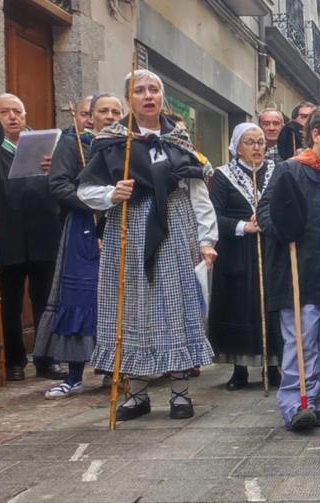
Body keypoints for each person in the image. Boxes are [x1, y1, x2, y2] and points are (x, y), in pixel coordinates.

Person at [77, 69, 217, 421]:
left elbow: (198, 193)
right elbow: (85, 189)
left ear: (162, 97)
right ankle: (136, 395)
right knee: (132, 306)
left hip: (175, 226)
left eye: (154, 89)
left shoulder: (180, 141)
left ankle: (180, 393)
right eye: (139, 90)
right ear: (129, 99)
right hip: (129, 227)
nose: (148, 95)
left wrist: (207, 240)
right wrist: (112, 193)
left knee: (175, 305)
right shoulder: (112, 141)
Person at [257, 104, 320, 431]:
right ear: (315, 135)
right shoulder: (290, 170)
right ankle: (296, 403)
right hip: (298, 274)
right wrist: (284, 228)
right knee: (301, 342)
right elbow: (265, 214)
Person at [35, 93, 123, 399]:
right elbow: (58, 184)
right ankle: (73, 375)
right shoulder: (73, 144)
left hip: (117, 226)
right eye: (103, 111)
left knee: (115, 297)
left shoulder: (127, 147)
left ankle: (114, 370)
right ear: (91, 116)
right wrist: (91, 203)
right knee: (80, 296)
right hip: (82, 229)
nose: (110, 116)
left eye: (115, 111)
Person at [0, 93, 65, 382]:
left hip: (44, 232)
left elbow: (65, 183)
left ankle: (46, 358)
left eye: (18, 111)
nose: (13, 117)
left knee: (45, 300)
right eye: (5, 112)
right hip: (4, 234)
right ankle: (14, 360)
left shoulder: (46, 146)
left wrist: (54, 169)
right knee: (9, 302)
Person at [209, 122, 281, 392]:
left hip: (271, 249)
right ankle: (239, 369)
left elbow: (287, 203)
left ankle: (273, 366)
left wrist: (269, 220)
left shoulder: (277, 171)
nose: (257, 147)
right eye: (250, 142)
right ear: (237, 146)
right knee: (239, 306)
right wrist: (243, 226)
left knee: (271, 305)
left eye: (261, 142)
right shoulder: (222, 176)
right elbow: (213, 214)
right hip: (237, 251)